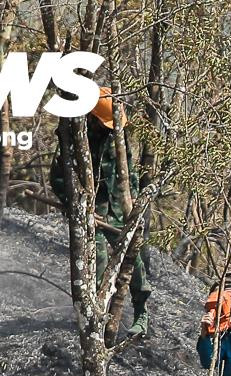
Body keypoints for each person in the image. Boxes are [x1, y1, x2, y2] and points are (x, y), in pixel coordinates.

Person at [48, 88, 150, 337]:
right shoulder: (72, 139)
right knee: (99, 259)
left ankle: (141, 312)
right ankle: (97, 317)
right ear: (90, 118)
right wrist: (80, 208)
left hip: (118, 208)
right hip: (91, 212)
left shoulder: (118, 136)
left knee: (132, 261)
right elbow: (58, 178)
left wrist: (133, 202)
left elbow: (129, 171)